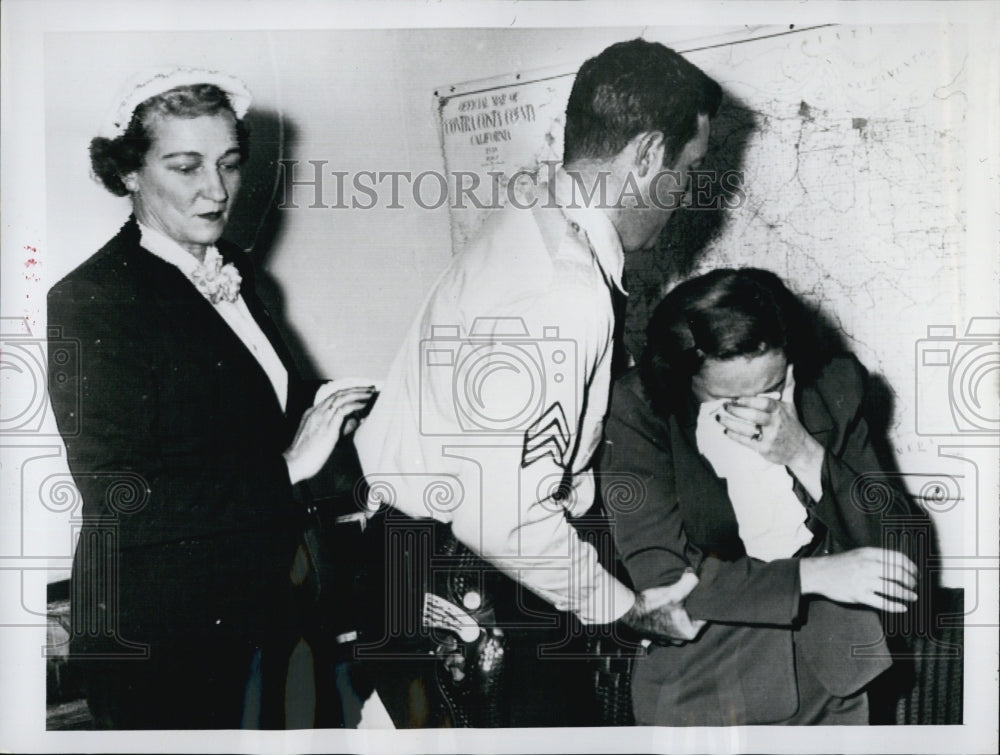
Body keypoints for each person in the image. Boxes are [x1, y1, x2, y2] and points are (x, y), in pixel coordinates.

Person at [352, 39, 722, 727]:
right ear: (644, 157)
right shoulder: (563, 289)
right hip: (472, 579)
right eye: (688, 169)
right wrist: (620, 607)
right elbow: (500, 512)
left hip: (422, 561)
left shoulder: (529, 224)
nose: (684, 196)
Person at [47, 68, 375, 729]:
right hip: (166, 642)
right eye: (185, 165)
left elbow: (239, 405)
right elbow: (120, 492)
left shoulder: (235, 271)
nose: (218, 189)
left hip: (263, 608)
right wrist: (289, 466)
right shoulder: (89, 301)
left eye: (228, 163)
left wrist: (337, 409)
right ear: (129, 172)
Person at [599, 267, 920, 726]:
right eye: (729, 399)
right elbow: (666, 578)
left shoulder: (834, 387)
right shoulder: (637, 410)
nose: (758, 412)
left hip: (836, 678)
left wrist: (805, 453)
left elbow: (900, 544)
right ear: (685, 378)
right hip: (707, 682)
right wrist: (814, 575)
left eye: (773, 389)